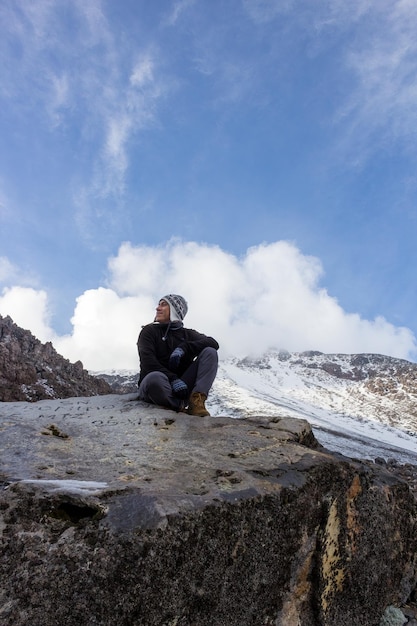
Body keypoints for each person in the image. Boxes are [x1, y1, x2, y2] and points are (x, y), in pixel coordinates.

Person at [137, 294, 219, 416]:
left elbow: (213, 343)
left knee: (210, 352)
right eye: (159, 304)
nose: (158, 308)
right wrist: (173, 379)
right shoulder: (149, 331)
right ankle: (178, 407)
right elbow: (148, 362)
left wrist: (185, 347)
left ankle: (196, 403)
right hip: (156, 387)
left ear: (175, 310)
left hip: (182, 390)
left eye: (163, 304)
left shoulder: (188, 334)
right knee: (154, 378)